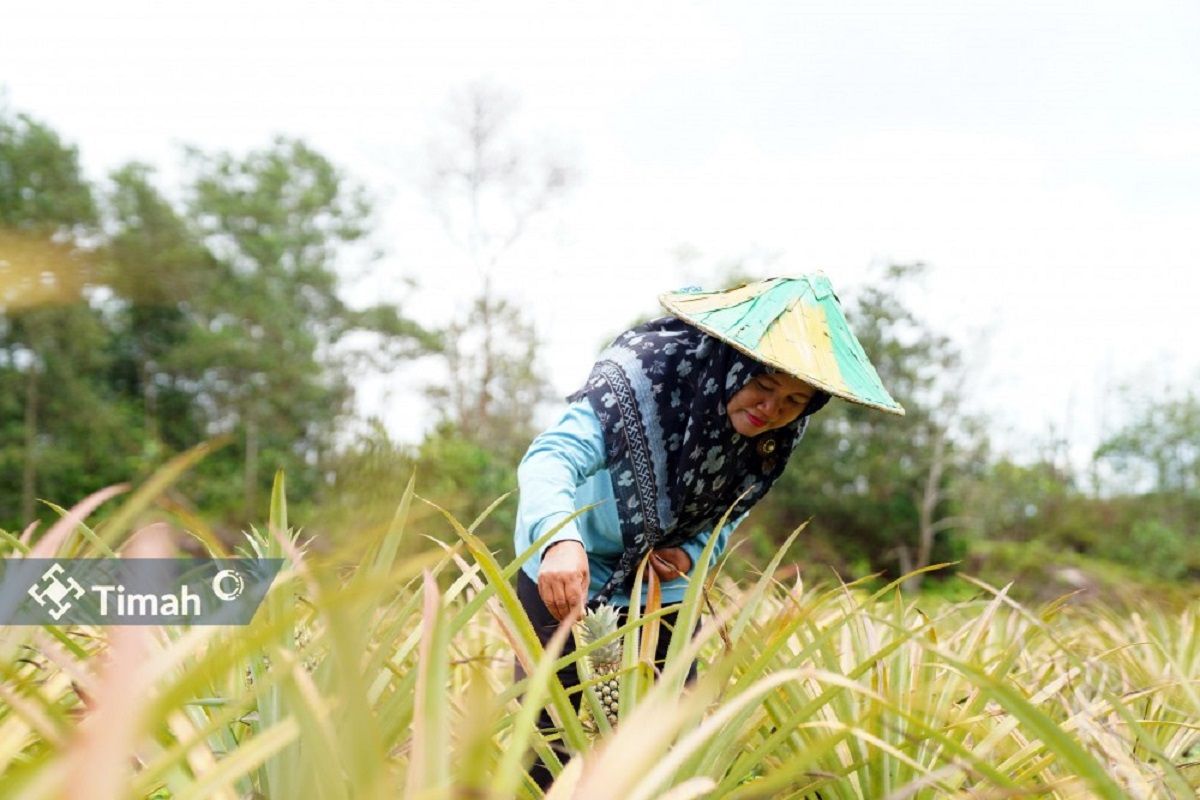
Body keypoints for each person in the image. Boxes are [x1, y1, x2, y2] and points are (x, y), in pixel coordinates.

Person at [512, 274, 903, 788]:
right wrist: (560, 540)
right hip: (568, 563)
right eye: (762, 386)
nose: (772, 411)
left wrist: (695, 549)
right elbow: (551, 457)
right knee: (545, 735)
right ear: (729, 362)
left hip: (658, 580)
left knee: (669, 737)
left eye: (793, 401)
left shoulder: (779, 431)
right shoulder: (644, 374)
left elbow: (734, 507)